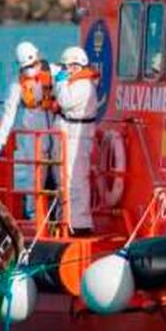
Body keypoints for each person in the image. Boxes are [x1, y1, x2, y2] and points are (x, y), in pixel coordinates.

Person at [54, 46, 100, 233]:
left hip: (77, 135)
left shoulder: (83, 86)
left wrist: (60, 83)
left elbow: (65, 101)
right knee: (67, 177)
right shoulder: (79, 83)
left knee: (76, 178)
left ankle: (80, 223)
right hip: (72, 133)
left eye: (68, 67)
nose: (66, 71)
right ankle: (68, 218)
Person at [0, 41, 60, 163]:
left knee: (59, 169)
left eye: (32, 65)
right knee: (35, 170)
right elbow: (8, 114)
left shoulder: (54, 72)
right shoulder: (16, 85)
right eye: (26, 68)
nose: (30, 70)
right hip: (32, 135)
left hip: (56, 132)